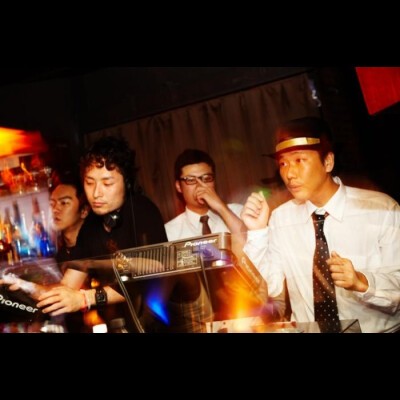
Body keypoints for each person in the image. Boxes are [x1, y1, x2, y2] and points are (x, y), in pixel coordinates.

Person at [240, 116, 400, 333]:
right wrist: (257, 232)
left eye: (299, 160)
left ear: (328, 162)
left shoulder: (381, 209)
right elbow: (270, 288)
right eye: (283, 163)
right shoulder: (281, 218)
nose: (289, 174)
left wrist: (362, 281)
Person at [35, 136, 169, 332]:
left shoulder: (142, 211)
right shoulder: (90, 225)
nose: (96, 193)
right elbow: (68, 286)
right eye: (90, 183)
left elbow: (148, 277)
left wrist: (85, 298)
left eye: (107, 183)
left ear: (127, 183)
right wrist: (23, 288)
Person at [165, 149, 285, 330]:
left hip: (249, 316)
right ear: (178, 186)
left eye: (206, 178)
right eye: (191, 180)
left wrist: (220, 207)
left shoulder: (237, 211)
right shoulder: (169, 232)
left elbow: (254, 247)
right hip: (199, 321)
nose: (200, 186)